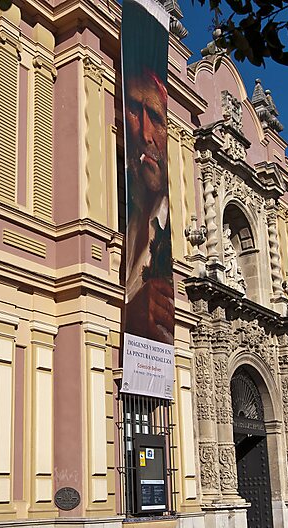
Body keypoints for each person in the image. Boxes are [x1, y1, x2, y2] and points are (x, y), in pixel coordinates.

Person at [123, 67, 174, 345]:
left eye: (155, 116)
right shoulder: (130, 214)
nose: (144, 133)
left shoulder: (166, 233)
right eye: (133, 109)